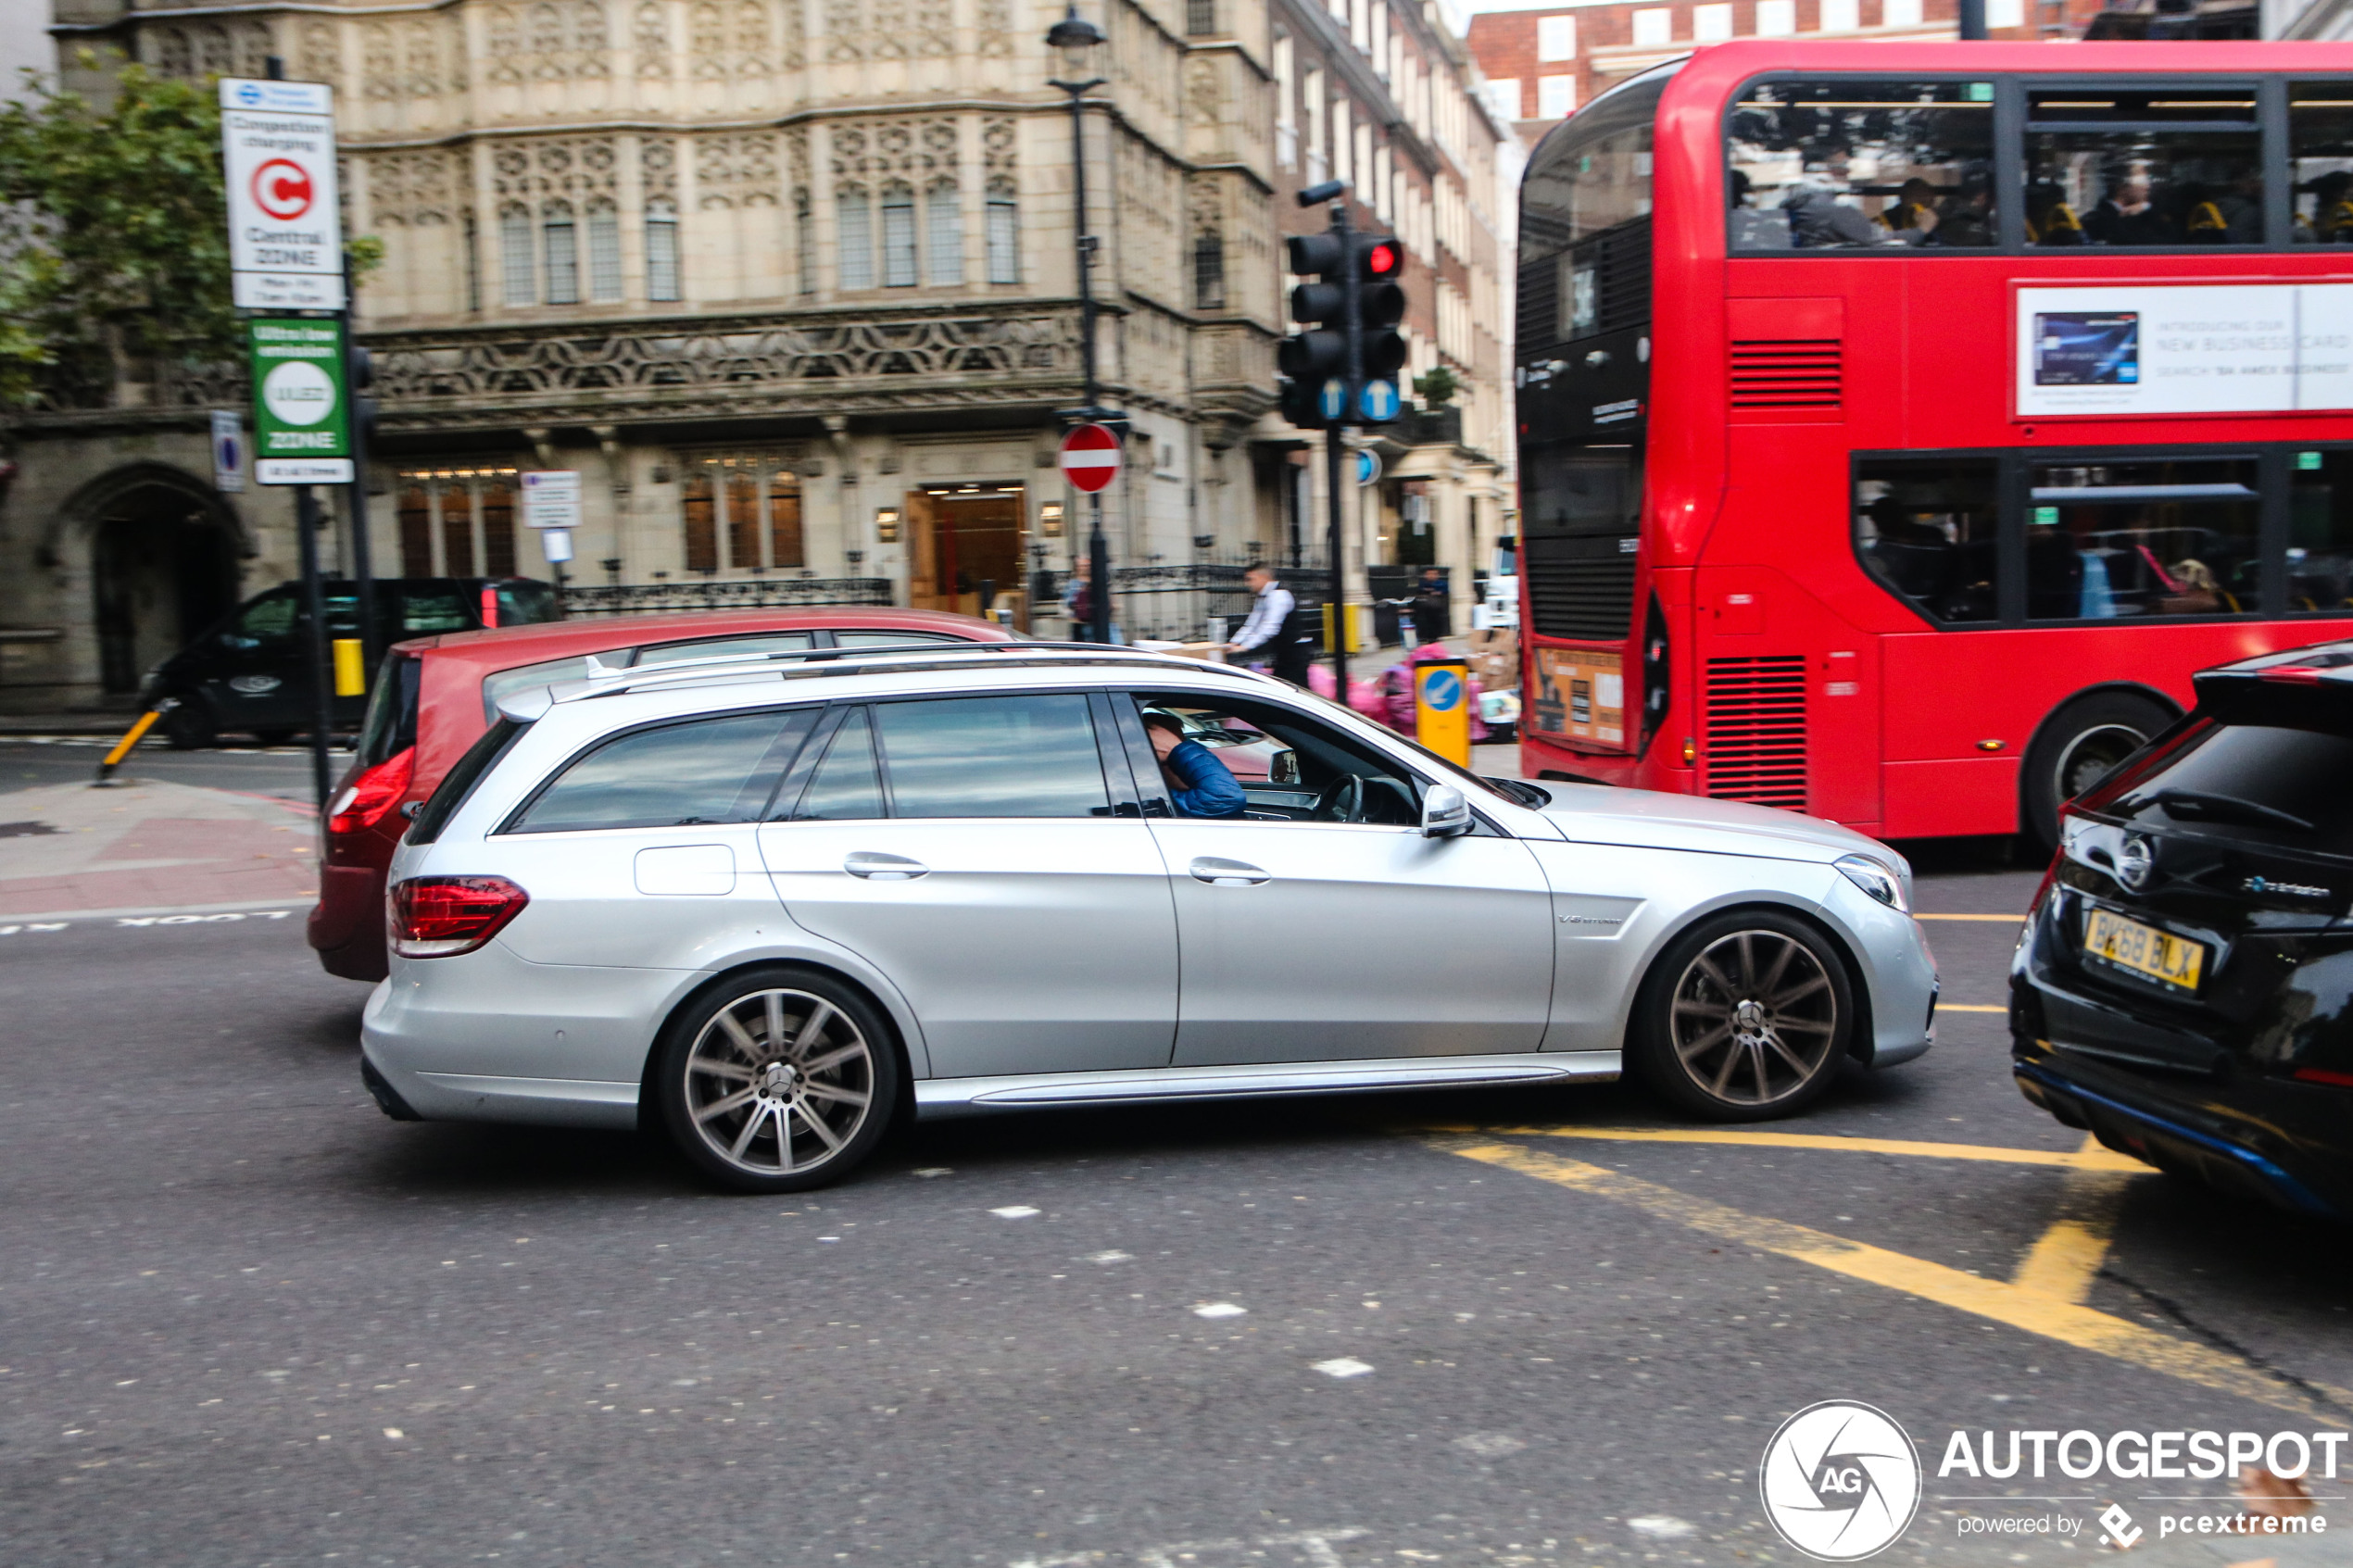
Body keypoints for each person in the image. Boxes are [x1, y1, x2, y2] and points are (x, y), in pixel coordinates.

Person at [1140, 711, 1246, 818]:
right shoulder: (1149, 802)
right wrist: (1174, 749)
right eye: (1174, 759)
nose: (1187, 768)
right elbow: (1226, 798)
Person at [1224, 565, 1313, 685]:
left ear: (1263, 577)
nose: (1247, 584)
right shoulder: (1263, 597)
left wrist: (1245, 646)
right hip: (1283, 653)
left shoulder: (1279, 595)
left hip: (1294, 653)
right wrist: (1235, 642)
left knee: (1294, 689)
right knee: (1283, 688)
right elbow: (1252, 623)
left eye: (1250, 579)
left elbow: (1270, 627)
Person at [1409, 567, 1448, 646]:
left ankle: (1434, 639)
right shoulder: (1422, 583)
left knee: (1436, 624)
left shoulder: (1441, 583)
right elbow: (1419, 593)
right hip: (1424, 610)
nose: (1431, 576)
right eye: (1429, 574)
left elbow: (1444, 592)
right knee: (1425, 625)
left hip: (1437, 609)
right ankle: (1426, 638)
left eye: (1434, 574)